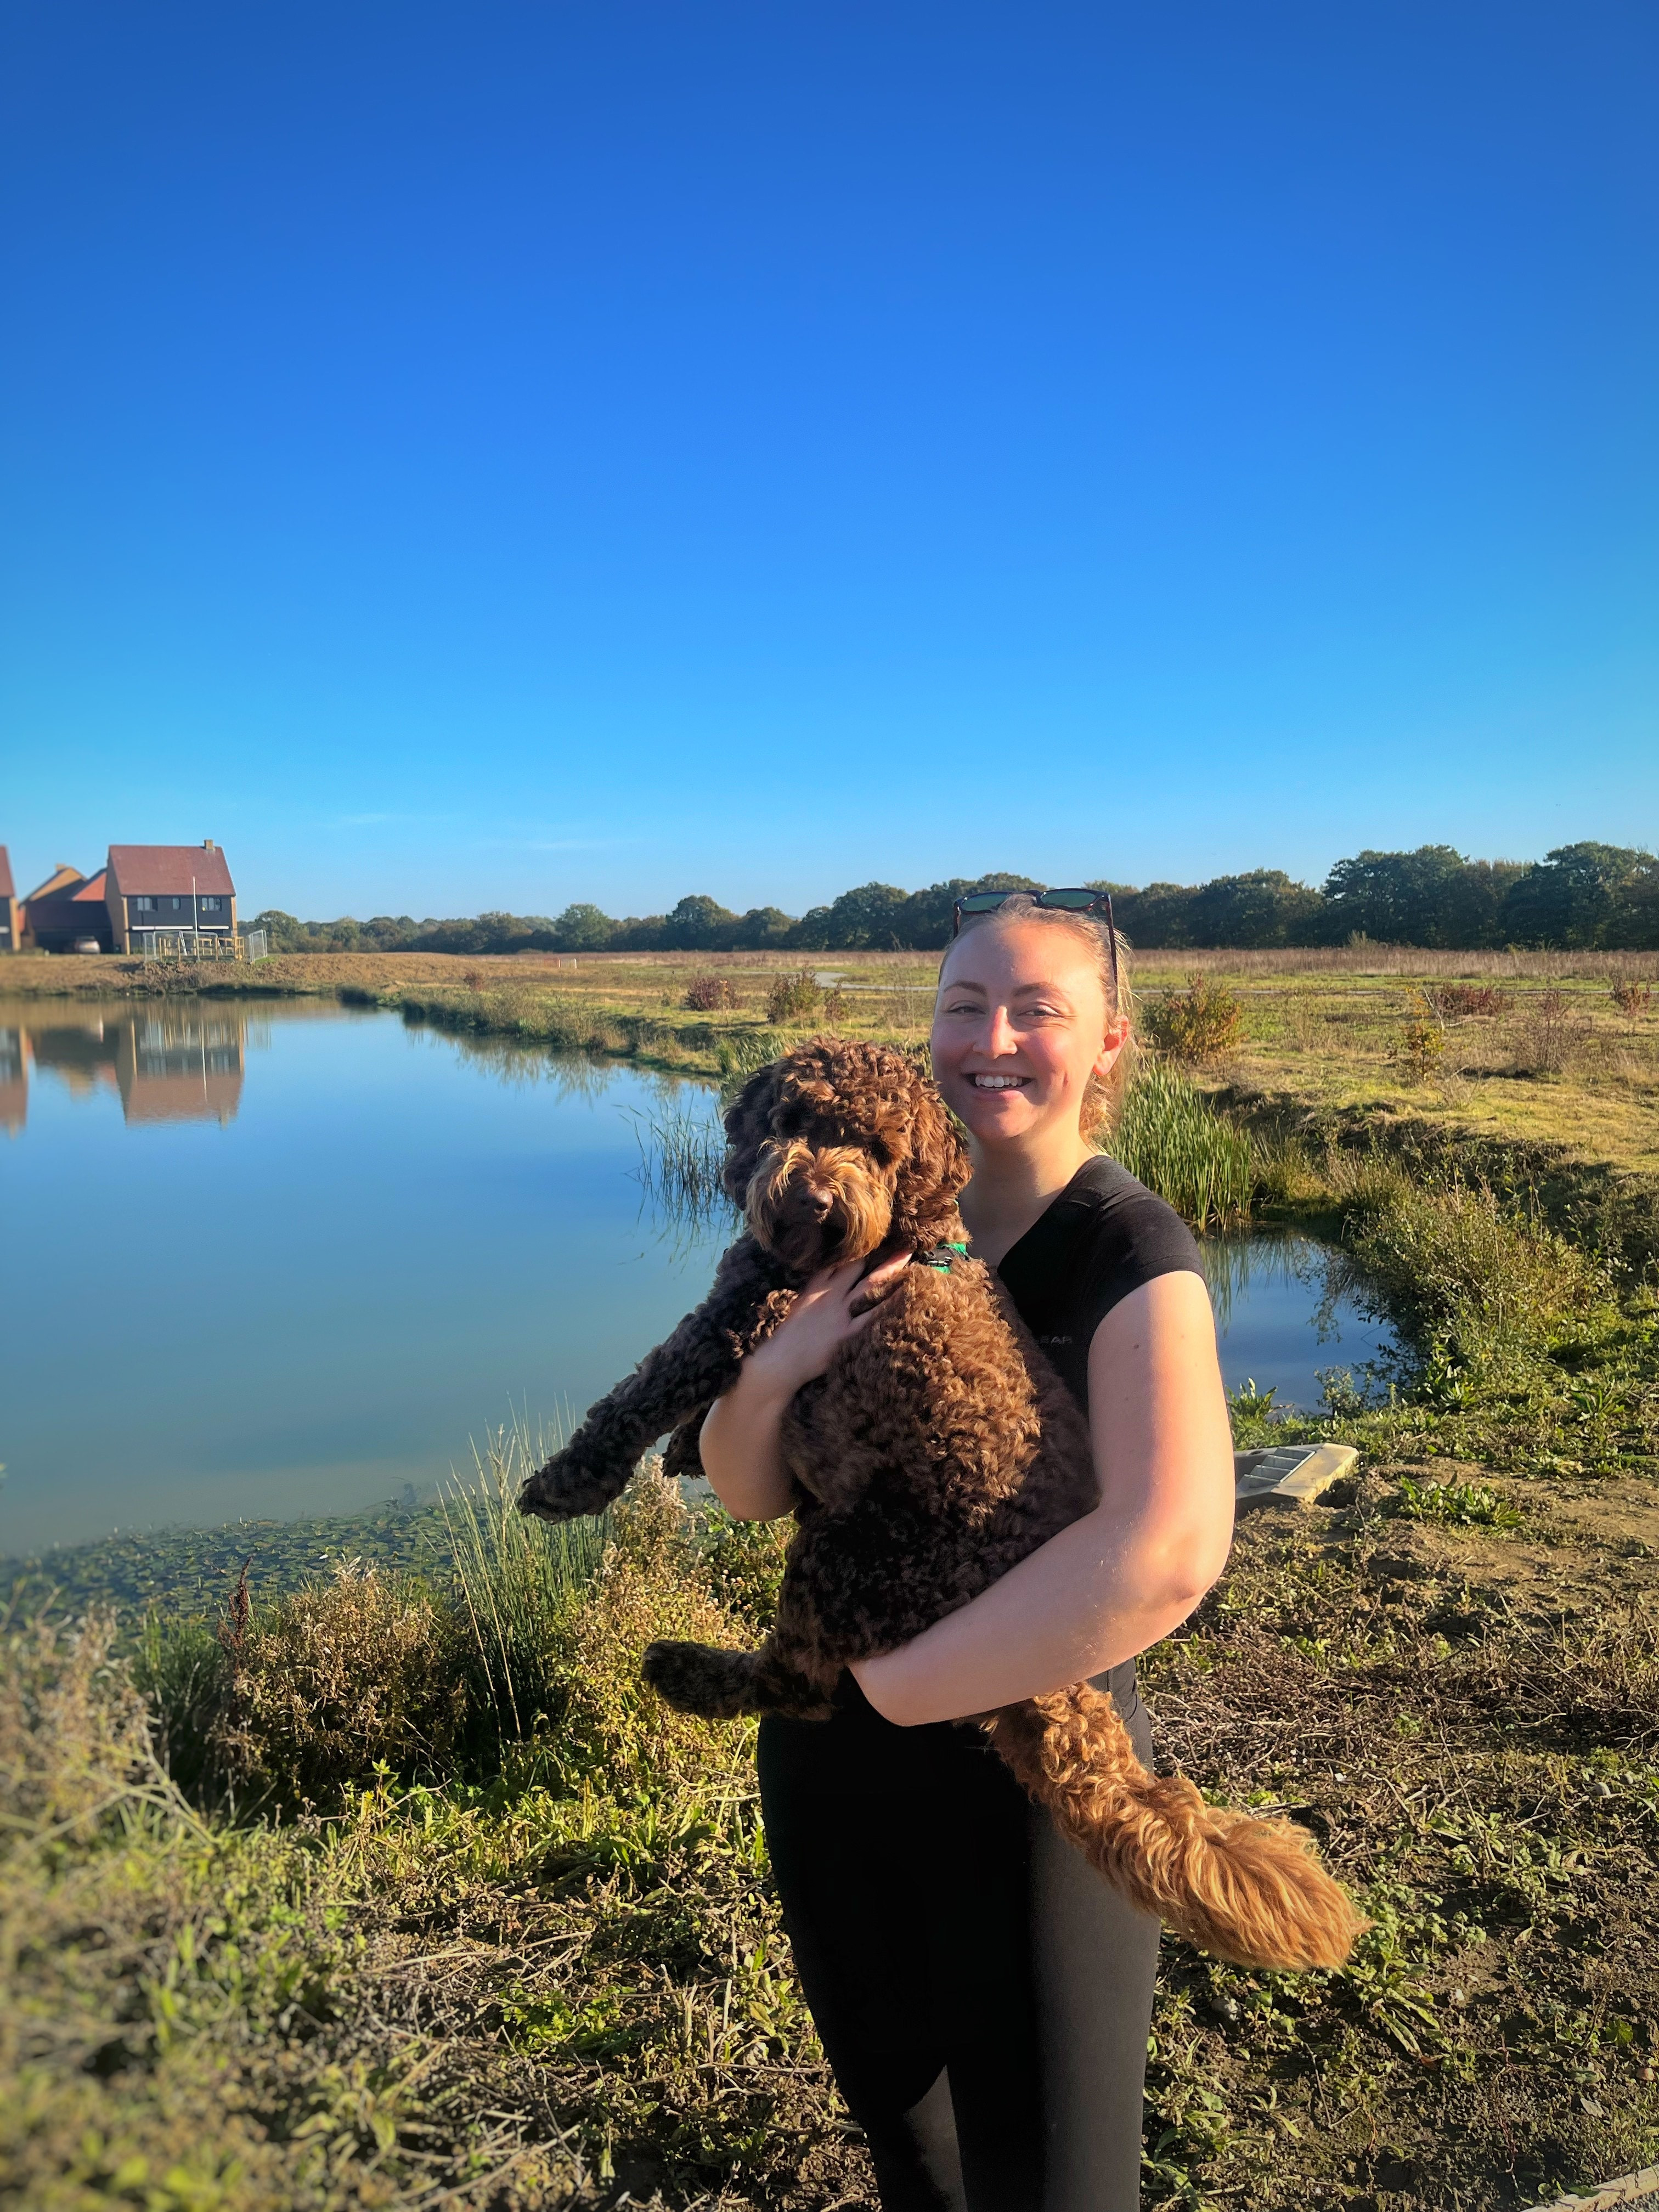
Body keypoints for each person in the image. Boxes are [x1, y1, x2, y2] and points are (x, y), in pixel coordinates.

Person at [698, 892, 1237, 2212]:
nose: (992, 1036)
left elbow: (1168, 1550)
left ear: (1108, 1043)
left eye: (1038, 1008)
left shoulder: (1130, 1253)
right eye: (963, 1004)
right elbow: (748, 1494)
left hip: (1031, 1790)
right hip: (829, 1772)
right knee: (916, 2159)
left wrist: (891, 1692)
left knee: (1057, 2183)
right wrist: (776, 1377)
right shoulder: (866, 1217)